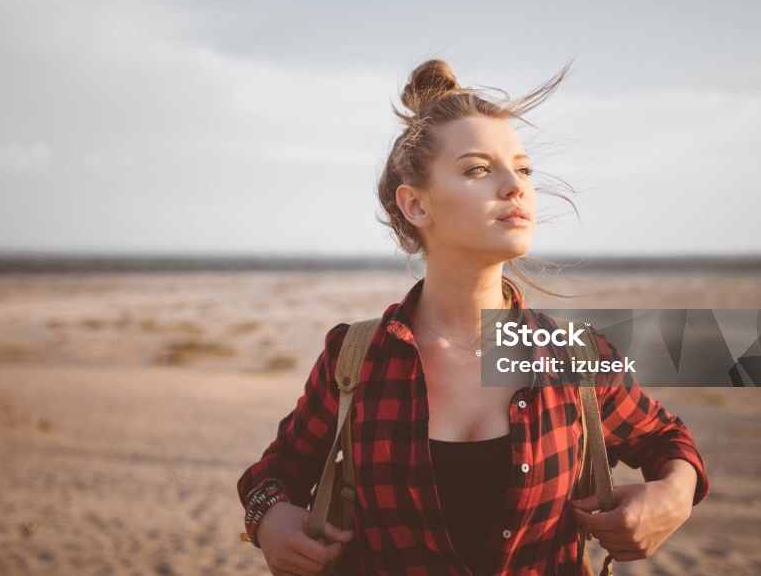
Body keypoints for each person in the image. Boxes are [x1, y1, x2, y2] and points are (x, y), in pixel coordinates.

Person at [237, 58, 710, 575]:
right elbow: (275, 471)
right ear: (416, 205)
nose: (516, 186)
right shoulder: (356, 357)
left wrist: (675, 495)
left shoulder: (576, 354)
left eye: (523, 168)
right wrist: (269, 521)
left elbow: (668, 442)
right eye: (478, 169)